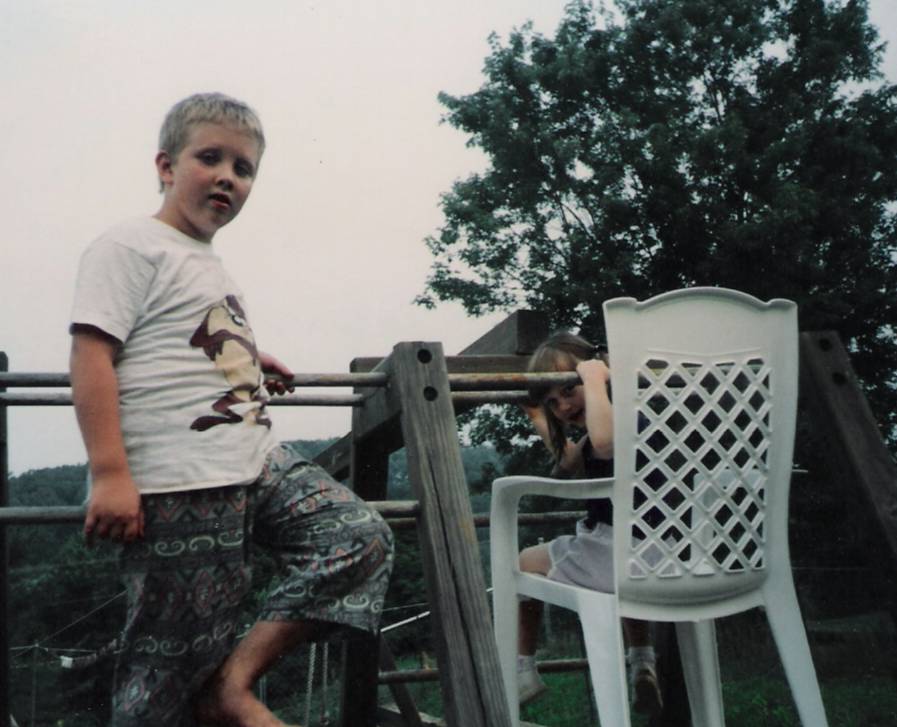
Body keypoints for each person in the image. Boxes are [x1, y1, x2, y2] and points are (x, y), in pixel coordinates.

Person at [68, 92, 394, 727]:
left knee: (358, 537)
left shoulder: (209, 262)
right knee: (166, 668)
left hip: (254, 460)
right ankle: (209, 694)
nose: (227, 176)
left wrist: (246, 360)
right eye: (209, 158)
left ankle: (233, 687)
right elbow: (91, 355)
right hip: (180, 483)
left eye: (243, 168)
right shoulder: (130, 245)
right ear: (165, 166)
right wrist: (109, 473)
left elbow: (185, 334)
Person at [515, 332, 662, 716]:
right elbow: (567, 465)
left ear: (598, 372)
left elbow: (606, 442)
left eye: (569, 389)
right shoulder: (640, 417)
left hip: (618, 555)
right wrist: (536, 416)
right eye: (552, 402)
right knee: (624, 578)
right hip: (663, 555)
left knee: (522, 563)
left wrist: (596, 380)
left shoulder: (616, 425)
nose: (562, 406)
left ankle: (524, 669)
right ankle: (642, 660)